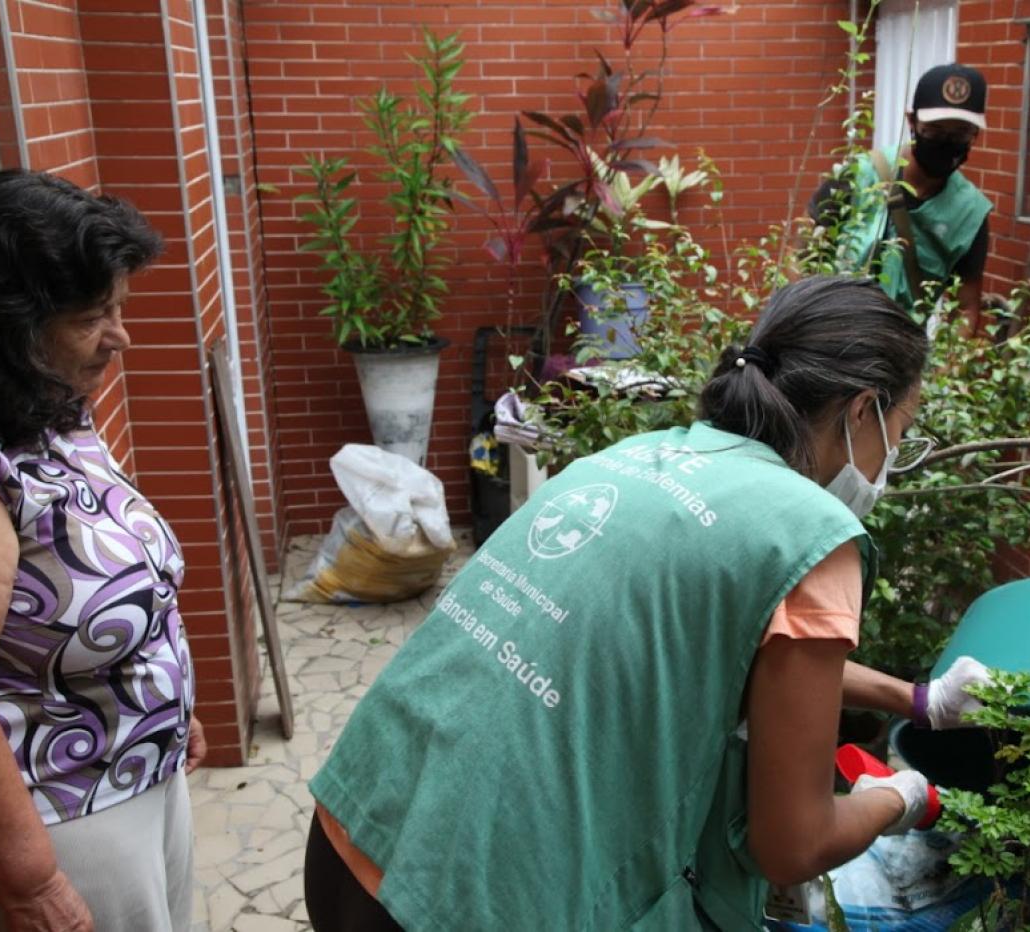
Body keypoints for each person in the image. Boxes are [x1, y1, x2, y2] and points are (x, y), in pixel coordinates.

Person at [303, 275, 989, 931]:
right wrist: (899, 799)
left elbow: (739, 655)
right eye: (902, 430)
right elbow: (794, 844)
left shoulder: (651, 455)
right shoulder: (811, 535)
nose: (892, 457)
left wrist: (916, 700)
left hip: (356, 828)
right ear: (862, 409)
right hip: (472, 893)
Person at [0, 170, 203, 931]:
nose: (121, 335)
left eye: (119, 307)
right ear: (9, 320)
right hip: (63, 817)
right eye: (94, 315)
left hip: (141, 773)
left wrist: (169, 700)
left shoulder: (43, 401)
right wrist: (33, 886)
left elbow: (110, 570)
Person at [812, 63, 992, 328]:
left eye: (960, 133)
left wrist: (950, 365)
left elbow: (965, 307)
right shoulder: (860, 175)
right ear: (911, 122)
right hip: (831, 334)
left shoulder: (970, 213)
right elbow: (804, 256)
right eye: (935, 130)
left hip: (901, 349)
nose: (947, 141)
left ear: (975, 136)